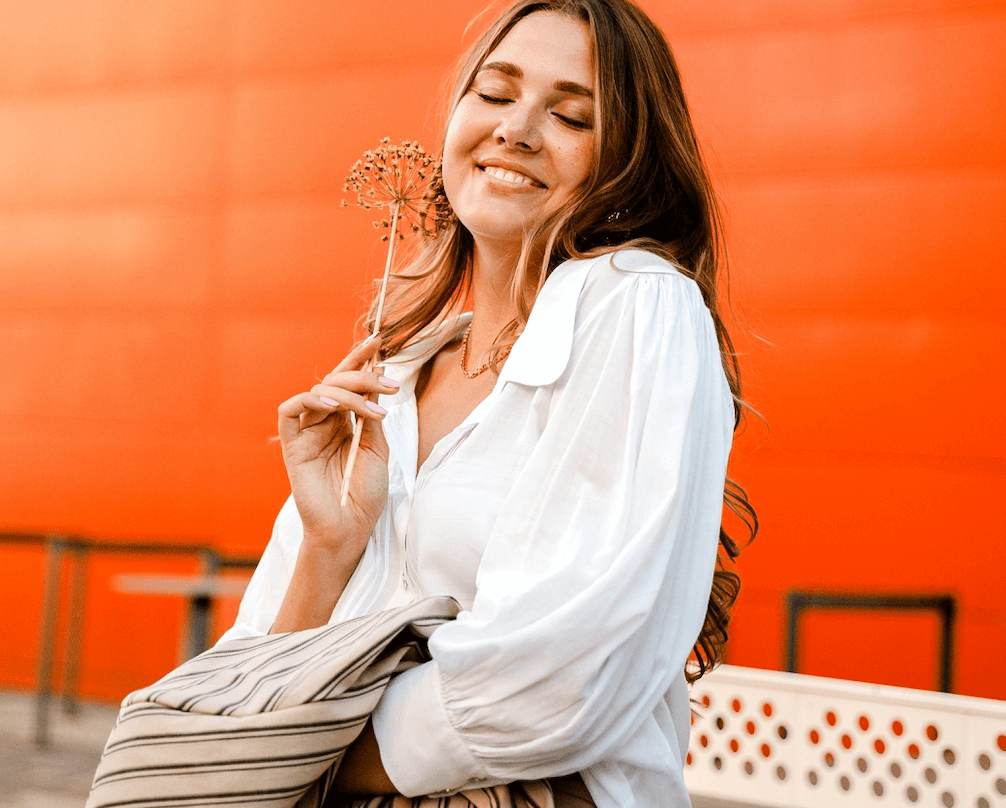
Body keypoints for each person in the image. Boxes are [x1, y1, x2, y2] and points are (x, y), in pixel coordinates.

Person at [219, 1, 756, 806]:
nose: (518, 129)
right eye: (495, 94)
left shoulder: (637, 304)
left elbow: (563, 681)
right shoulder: (394, 370)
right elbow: (255, 668)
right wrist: (328, 549)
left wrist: (297, 757)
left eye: (571, 114)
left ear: (630, 162)